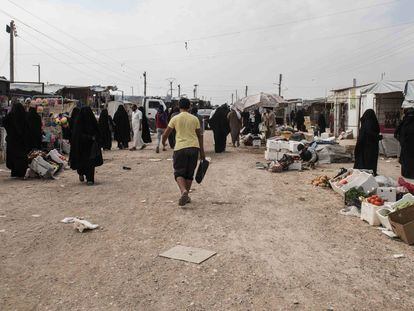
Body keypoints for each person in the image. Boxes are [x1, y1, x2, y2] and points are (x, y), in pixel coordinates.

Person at [162, 98, 205, 207]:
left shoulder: (175, 118)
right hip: (194, 148)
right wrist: (202, 152)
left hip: (180, 148)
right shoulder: (195, 119)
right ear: (189, 107)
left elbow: (166, 134)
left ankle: (183, 192)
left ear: (179, 106)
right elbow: (199, 135)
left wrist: (163, 143)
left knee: (179, 172)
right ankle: (186, 196)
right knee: (189, 173)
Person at [69, 106, 103, 185]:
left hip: (81, 147)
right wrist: (92, 138)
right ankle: (89, 179)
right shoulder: (92, 121)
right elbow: (98, 133)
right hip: (89, 147)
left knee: (82, 161)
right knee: (90, 163)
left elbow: (76, 136)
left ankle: (83, 174)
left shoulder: (78, 122)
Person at [3, 102, 30, 178]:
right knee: (21, 157)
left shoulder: (10, 116)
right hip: (21, 141)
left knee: (13, 157)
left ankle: (14, 172)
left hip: (12, 140)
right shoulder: (24, 116)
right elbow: (27, 128)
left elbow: (4, 122)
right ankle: (20, 173)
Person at [354, 109, 382, 175]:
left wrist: (357, 148)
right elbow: (372, 134)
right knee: (371, 162)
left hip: (364, 147)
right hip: (372, 148)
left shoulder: (364, 124)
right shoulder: (373, 123)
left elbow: (362, 137)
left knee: (362, 162)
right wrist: (379, 137)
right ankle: (370, 174)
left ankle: (363, 175)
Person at [395, 108, 414, 179]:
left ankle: (406, 173)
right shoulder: (404, 122)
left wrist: (401, 141)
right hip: (407, 146)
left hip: (406, 146)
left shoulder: (404, 122)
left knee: (406, 160)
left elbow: (397, 133)